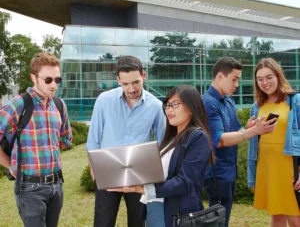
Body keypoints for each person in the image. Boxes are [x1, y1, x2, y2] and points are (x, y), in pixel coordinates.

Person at [110, 85, 212, 227]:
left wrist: (143, 189)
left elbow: (184, 182)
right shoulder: (170, 139)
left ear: (191, 108)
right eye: (167, 105)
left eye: (175, 104)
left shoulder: (197, 137)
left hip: (177, 212)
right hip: (155, 207)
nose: (169, 109)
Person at [86, 55, 165, 227]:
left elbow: (162, 144)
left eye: (136, 82)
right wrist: (94, 172)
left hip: (140, 177)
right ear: (118, 80)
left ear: (143, 76)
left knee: (137, 223)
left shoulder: (156, 106)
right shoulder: (104, 101)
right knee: (103, 223)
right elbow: (93, 139)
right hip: (107, 173)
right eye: (125, 83)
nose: (131, 88)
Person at [202, 57, 277, 227]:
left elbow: (237, 131)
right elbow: (219, 140)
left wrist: (248, 127)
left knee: (223, 220)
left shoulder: (228, 100)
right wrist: (254, 131)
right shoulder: (208, 103)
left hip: (229, 171)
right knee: (217, 222)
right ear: (220, 76)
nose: (237, 85)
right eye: (234, 79)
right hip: (217, 173)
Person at [0, 52, 72, 227]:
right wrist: (10, 164)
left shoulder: (59, 105)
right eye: (48, 80)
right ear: (34, 77)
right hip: (29, 188)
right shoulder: (19, 104)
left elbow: (65, 139)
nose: (54, 84)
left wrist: (43, 150)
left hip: (56, 185)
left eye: (57, 79)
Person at [248, 58, 300, 227]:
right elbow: (254, 141)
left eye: (269, 77)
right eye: (260, 79)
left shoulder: (295, 101)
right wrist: (250, 129)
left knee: (295, 218)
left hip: (290, 167)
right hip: (268, 166)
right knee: (276, 214)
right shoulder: (257, 106)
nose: (265, 82)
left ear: (278, 76)